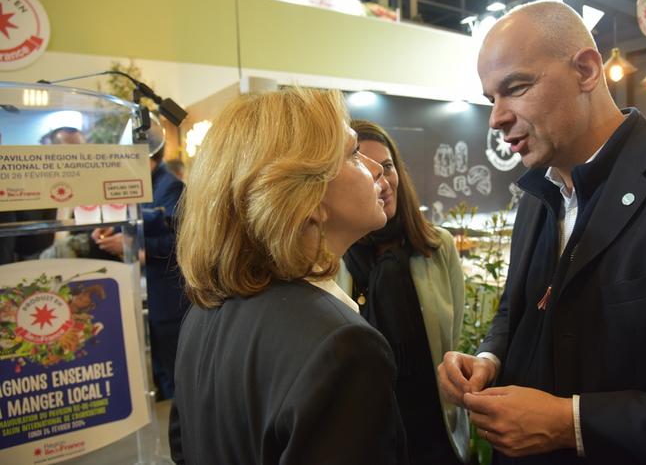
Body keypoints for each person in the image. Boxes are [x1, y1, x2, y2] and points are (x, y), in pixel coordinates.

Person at [437, 0, 646, 465]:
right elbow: (515, 314)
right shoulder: (536, 195)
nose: (496, 118)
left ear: (585, 69)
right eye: (491, 99)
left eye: (515, 88)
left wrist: (571, 423)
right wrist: (488, 360)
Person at [168, 88, 408, 465]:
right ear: (304, 196)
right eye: (352, 154)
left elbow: (184, 447)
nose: (376, 168)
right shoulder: (343, 345)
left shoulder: (203, 312)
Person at [337, 119, 469, 465]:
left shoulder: (436, 246)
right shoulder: (334, 258)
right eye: (365, 168)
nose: (382, 180)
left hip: (437, 430)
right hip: (369, 437)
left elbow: (450, 338)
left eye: (388, 167)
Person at [92, 144, 188, 400]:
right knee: (161, 373)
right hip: (151, 293)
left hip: (170, 297)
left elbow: (179, 244)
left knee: (176, 376)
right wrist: (110, 230)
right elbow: (139, 224)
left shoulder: (170, 186)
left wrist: (130, 246)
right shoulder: (147, 187)